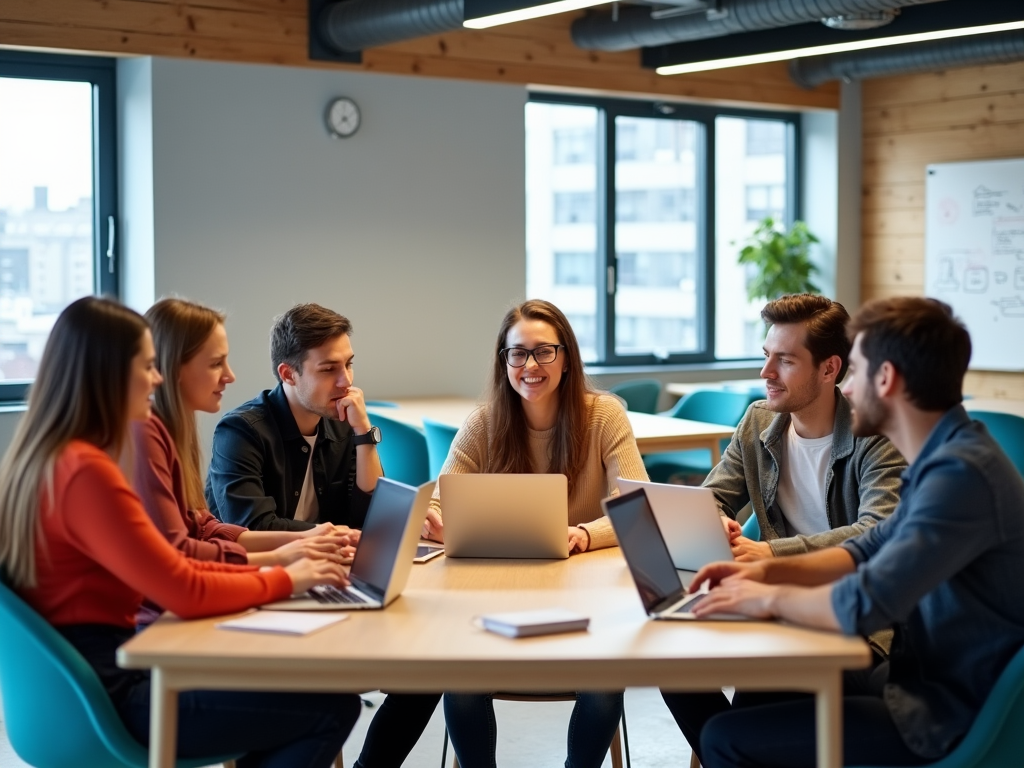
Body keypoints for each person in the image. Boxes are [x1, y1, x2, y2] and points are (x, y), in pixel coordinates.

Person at [0, 296, 361, 768]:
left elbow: (180, 555)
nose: (156, 380)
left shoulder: (48, 458)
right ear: (107, 373)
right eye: (147, 367)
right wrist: (291, 577)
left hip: (76, 685)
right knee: (330, 706)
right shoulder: (86, 471)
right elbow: (182, 587)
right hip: (113, 692)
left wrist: (288, 556)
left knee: (293, 700)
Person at [685, 296, 1024, 768]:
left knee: (727, 737)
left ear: (886, 379)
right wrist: (758, 576)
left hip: (944, 713)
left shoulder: (961, 476)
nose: (846, 388)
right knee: (744, 708)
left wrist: (765, 598)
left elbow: (862, 603)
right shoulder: (947, 457)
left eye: (857, 370)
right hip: (916, 679)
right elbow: (865, 548)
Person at [661, 293, 907, 753]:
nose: (765, 373)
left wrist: (770, 553)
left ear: (830, 369)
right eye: (765, 356)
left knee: (742, 721)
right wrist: (716, 523)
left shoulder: (875, 435)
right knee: (670, 662)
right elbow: (713, 496)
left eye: (785, 361)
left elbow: (878, 532)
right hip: (772, 602)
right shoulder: (758, 423)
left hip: (853, 621)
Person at [205, 302, 436, 768]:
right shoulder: (240, 432)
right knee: (327, 699)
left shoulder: (338, 425)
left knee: (430, 666)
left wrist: (364, 436)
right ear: (288, 374)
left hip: (324, 583)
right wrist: (340, 534)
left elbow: (367, 515)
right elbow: (253, 526)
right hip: (261, 597)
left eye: (349, 364)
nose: (346, 381)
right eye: (329, 369)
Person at [430, 299, 649, 768]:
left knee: (604, 684)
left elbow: (639, 508)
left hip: (589, 601)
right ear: (503, 361)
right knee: (461, 685)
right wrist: (436, 518)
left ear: (566, 358)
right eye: (517, 353)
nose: (530, 365)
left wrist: (585, 535)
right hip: (497, 597)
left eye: (544, 352)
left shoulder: (603, 416)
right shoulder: (484, 423)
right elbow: (437, 499)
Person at [135, 297, 358, 570]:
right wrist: (285, 564)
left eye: (348, 364)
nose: (230, 376)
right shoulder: (152, 438)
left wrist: (306, 538)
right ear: (174, 368)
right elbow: (178, 559)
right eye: (216, 363)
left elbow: (202, 528)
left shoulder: (175, 434)